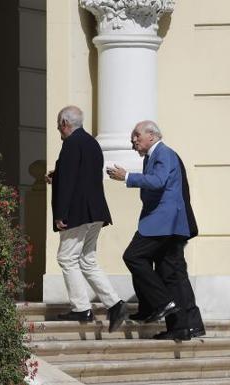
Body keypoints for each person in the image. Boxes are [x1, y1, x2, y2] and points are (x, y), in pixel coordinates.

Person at [107, 120, 204, 341]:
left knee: (133, 256)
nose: (133, 141)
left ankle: (159, 304)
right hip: (164, 222)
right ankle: (182, 327)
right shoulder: (153, 156)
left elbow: (159, 181)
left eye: (136, 136)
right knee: (171, 274)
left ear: (152, 135)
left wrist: (127, 177)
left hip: (164, 222)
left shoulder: (163, 153)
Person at [47, 105, 126, 333]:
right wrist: (57, 175)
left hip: (78, 212)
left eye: (58, 125)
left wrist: (61, 213)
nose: (58, 130)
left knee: (66, 258)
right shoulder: (92, 143)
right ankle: (115, 305)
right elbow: (81, 175)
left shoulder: (71, 143)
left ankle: (81, 308)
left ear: (64, 123)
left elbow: (71, 179)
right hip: (96, 211)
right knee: (87, 259)